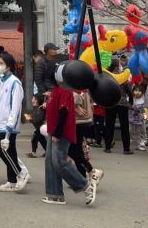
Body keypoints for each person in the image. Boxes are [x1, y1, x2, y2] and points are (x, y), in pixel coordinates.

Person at [43, 75, 97, 206]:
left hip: (61, 132)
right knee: (50, 160)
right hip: (54, 130)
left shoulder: (64, 90)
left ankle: (85, 185)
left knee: (60, 161)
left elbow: (63, 112)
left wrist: (58, 132)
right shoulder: (57, 90)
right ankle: (54, 194)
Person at [0, 52, 28, 193]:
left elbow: (16, 106)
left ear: (9, 66)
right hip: (1, 121)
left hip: (9, 124)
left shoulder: (15, 83)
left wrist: (10, 125)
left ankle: (21, 173)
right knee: (10, 150)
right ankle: (12, 181)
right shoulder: (2, 80)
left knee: (1, 149)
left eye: (1, 63)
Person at [69, 90, 104, 185]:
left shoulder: (74, 86)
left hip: (77, 120)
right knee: (76, 150)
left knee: (73, 150)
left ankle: (91, 171)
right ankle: (82, 177)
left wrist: (75, 104)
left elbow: (75, 94)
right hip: (79, 120)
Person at [104, 75, 133, 154]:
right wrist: (131, 102)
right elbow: (129, 90)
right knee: (124, 126)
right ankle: (126, 149)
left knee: (109, 125)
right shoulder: (122, 77)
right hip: (122, 103)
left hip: (110, 103)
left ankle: (107, 147)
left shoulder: (107, 76)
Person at [129, 85, 148, 151]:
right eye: (136, 90)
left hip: (140, 118)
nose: (137, 92)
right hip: (131, 117)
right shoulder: (131, 98)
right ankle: (131, 140)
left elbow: (145, 110)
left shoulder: (143, 100)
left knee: (139, 131)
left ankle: (139, 144)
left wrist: (144, 117)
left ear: (142, 92)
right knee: (130, 130)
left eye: (139, 91)